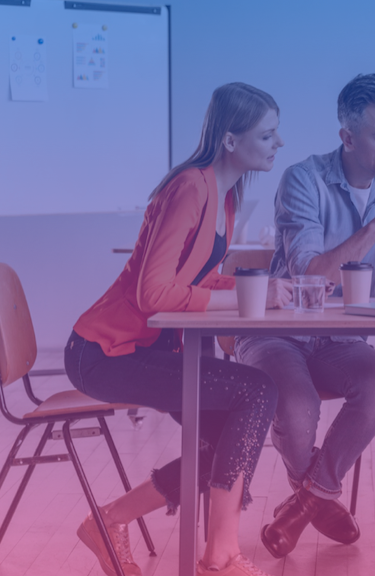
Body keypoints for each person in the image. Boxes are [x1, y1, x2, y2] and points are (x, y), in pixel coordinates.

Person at [64, 82, 288, 576]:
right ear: (230, 140)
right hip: (105, 352)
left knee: (233, 437)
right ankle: (221, 554)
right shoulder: (191, 186)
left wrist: (261, 287)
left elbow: (195, 278)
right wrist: (240, 297)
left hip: (147, 349)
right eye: (268, 134)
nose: (279, 143)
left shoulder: (223, 195)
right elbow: (152, 294)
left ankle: (110, 521)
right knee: (256, 393)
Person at [233, 73, 375, 558]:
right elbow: (312, 275)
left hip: (343, 339)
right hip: (281, 333)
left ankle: (305, 503)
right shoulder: (303, 178)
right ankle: (321, 501)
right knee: (297, 404)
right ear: (347, 138)